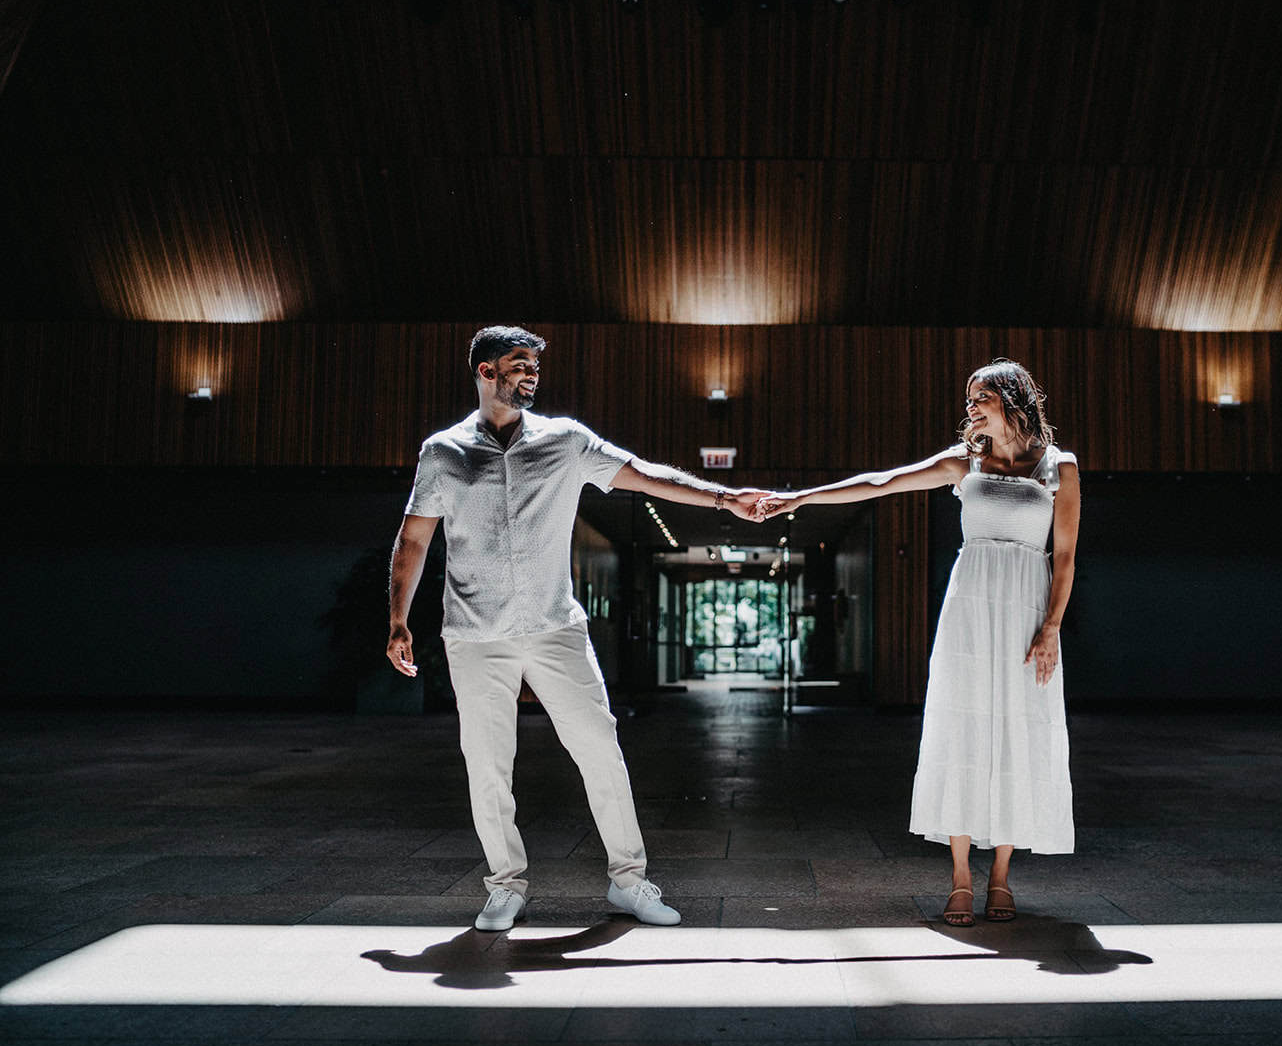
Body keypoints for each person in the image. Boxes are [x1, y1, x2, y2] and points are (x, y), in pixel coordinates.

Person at [387, 325, 769, 932]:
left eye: (535, 364)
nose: (532, 374)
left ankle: (631, 882)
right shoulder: (444, 452)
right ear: (486, 372)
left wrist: (723, 498)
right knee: (487, 763)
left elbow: (645, 474)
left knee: (600, 749)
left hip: (553, 628)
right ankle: (504, 887)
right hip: (474, 632)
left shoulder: (565, 441)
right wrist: (398, 620)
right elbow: (414, 536)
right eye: (519, 364)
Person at [759, 359, 1079, 925]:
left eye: (980, 397)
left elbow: (1067, 555)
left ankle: (1001, 876)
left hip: (1026, 610)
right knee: (963, 726)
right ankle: (960, 876)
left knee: (1017, 726)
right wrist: (800, 498)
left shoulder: (1060, 467)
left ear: (1012, 397)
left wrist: (1051, 627)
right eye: (969, 399)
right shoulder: (963, 462)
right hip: (970, 609)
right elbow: (881, 482)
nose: (971, 408)